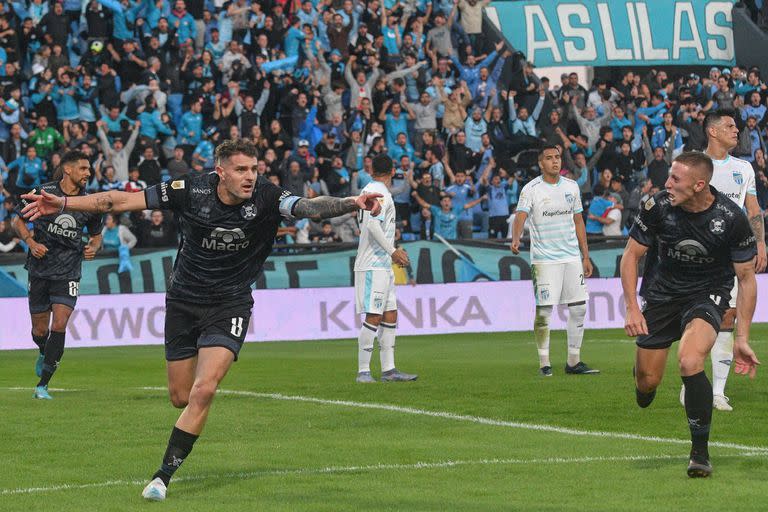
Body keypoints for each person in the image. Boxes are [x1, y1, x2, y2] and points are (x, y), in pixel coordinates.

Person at [20, 139, 383, 501]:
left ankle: (162, 477)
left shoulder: (268, 196)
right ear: (220, 172)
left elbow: (307, 208)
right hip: (183, 302)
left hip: (231, 304)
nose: (250, 177)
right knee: (180, 397)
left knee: (205, 389)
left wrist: (352, 202)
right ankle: (185, 419)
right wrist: (64, 202)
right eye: (241, 170)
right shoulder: (188, 189)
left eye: (254, 169)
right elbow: (116, 200)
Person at [621, 152, 759, 477]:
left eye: (675, 179)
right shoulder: (658, 207)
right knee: (647, 383)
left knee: (689, 359)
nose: (667, 184)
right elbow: (631, 256)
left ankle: (700, 453)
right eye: (669, 177)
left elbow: (747, 278)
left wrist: (742, 336)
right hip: (661, 294)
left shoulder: (730, 217)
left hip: (707, 295)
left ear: (699, 185)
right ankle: (644, 378)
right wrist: (630, 307)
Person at [677, 111, 767, 412]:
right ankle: (690, 380)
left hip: (731, 254)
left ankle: (716, 391)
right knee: (695, 319)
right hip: (696, 255)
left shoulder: (744, 167)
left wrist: (760, 242)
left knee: (727, 317)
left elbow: (752, 208)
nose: (736, 130)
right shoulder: (692, 164)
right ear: (712, 131)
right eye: (730, 126)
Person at [11, 151, 103, 400]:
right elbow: (16, 221)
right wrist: (30, 242)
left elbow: (96, 234)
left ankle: (43, 385)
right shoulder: (43, 192)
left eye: (89, 169)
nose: (88, 173)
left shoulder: (90, 202)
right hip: (40, 269)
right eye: (83, 168)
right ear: (68, 170)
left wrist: (93, 247)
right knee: (40, 331)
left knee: (60, 323)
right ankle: (44, 350)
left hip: (69, 271)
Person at [510, 145, 598, 376]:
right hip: (544, 260)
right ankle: (544, 363)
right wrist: (516, 238)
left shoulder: (571, 186)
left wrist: (585, 256)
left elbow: (579, 221)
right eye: (549, 158)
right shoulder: (531, 189)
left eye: (557, 157)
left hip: (571, 258)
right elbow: (521, 215)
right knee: (544, 311)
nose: (555, 162)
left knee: (579, 308)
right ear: (541, 163)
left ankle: (573, 361)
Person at [354, 154, 417, 383]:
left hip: (382, 264)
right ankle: (363, 371)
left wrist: (390, 253)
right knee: (374, 315)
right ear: (393, 171)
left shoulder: (369, 189)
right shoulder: (378, 193)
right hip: (373, 264)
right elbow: (372, 226)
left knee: (390, 313)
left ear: (371, 170)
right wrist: (393, 251)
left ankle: (389, 370)